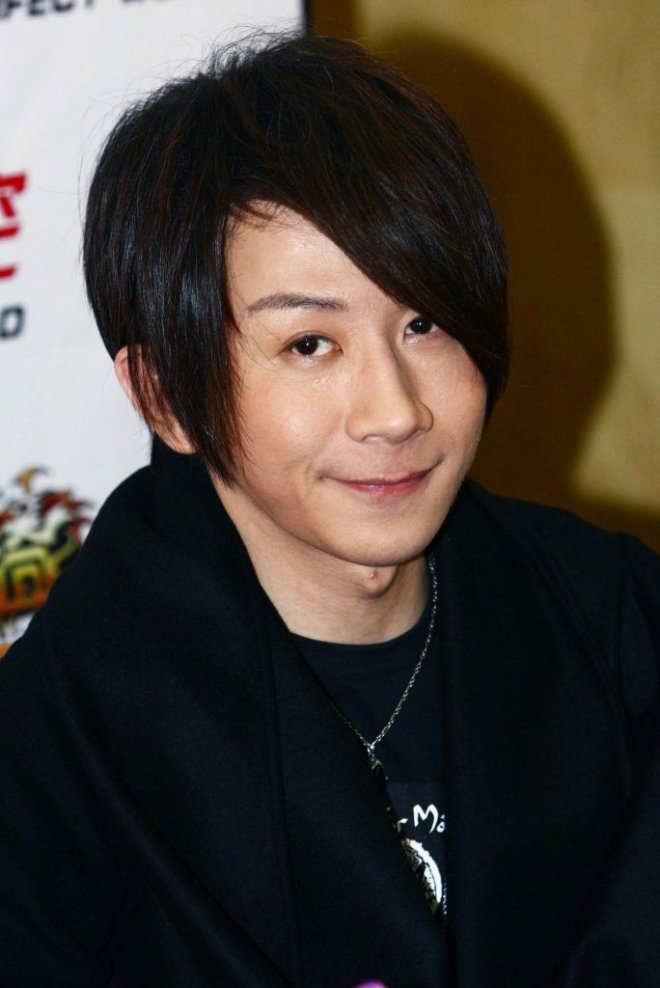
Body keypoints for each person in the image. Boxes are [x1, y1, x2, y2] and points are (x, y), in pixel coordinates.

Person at [0, 32, 658, 988]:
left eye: (426, 322)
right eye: (309, 344)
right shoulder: (55, 745)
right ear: (163, 396)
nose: (395, 411)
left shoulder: (618, 627)